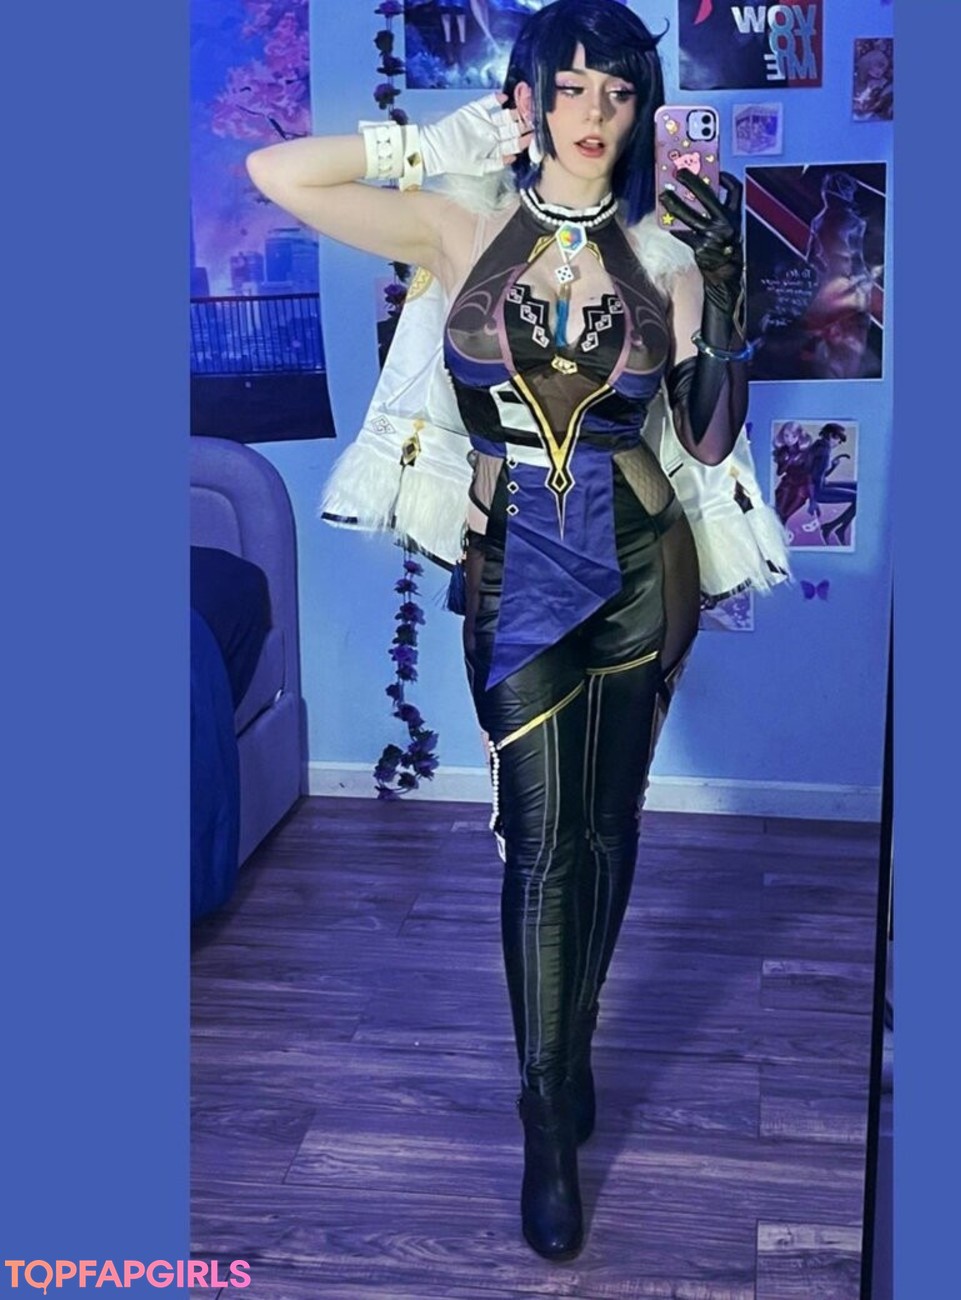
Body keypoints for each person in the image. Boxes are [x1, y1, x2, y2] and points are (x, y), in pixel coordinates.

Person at [247, 0, 785, 1261]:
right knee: (541, 849)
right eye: (571, 87)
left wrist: (726, 305)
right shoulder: (461, 228)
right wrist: (429, 143)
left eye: (618, 92)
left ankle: (575, 1038)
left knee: (608, 831)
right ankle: (546, 1118)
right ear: (530, 99)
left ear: (642, 110)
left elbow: (707, 437)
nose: (593, 114)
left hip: (646, 572)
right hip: (517, 576)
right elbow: (276, 173)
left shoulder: (665, 255)